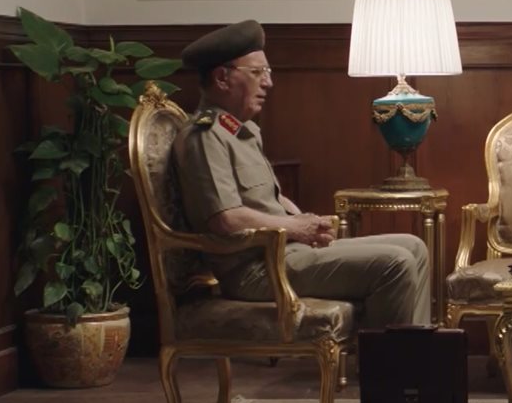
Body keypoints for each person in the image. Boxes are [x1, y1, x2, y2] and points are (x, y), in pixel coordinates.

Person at [173, 19, 432, 330]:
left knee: (413, 247)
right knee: (395, 263)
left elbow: (270, 198)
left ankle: (414, 352)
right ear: (222, 78)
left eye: (268, 72)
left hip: (286, 252)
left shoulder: (241, 131)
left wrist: (307, 222)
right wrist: (296, 227)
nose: (268, 82)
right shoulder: (204, 136)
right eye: (257, 72)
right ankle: (387, 361)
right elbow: (226, 220)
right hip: (256, 270)